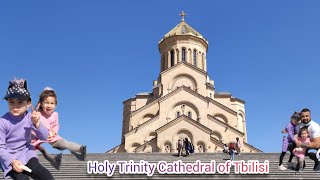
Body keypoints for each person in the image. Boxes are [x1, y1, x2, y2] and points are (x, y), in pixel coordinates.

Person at [0, 79, 54, 179]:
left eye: (20, 102)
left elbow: (45, 136)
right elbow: (1, 148)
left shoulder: (30, 118)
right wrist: (12, 161)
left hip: (26, 154)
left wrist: (37, 123)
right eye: (11, 102)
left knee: (45, 175)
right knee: (22, 178)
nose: (15, 106)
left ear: (28, 104)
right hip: (10, 157)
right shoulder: (2, 122)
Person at [31, 87, 87, 164]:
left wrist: (53, 132)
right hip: (38, 137)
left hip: (52, 135)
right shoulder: (38, 114)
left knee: (64, 143)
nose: (49, 105)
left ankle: (80, 148)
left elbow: (56, 125)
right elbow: (33, 127)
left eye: (52, 103)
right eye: (46, 102)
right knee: (40, 150)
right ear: (41, 104)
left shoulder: (55, 115)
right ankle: (54, 158)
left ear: (55, 105)